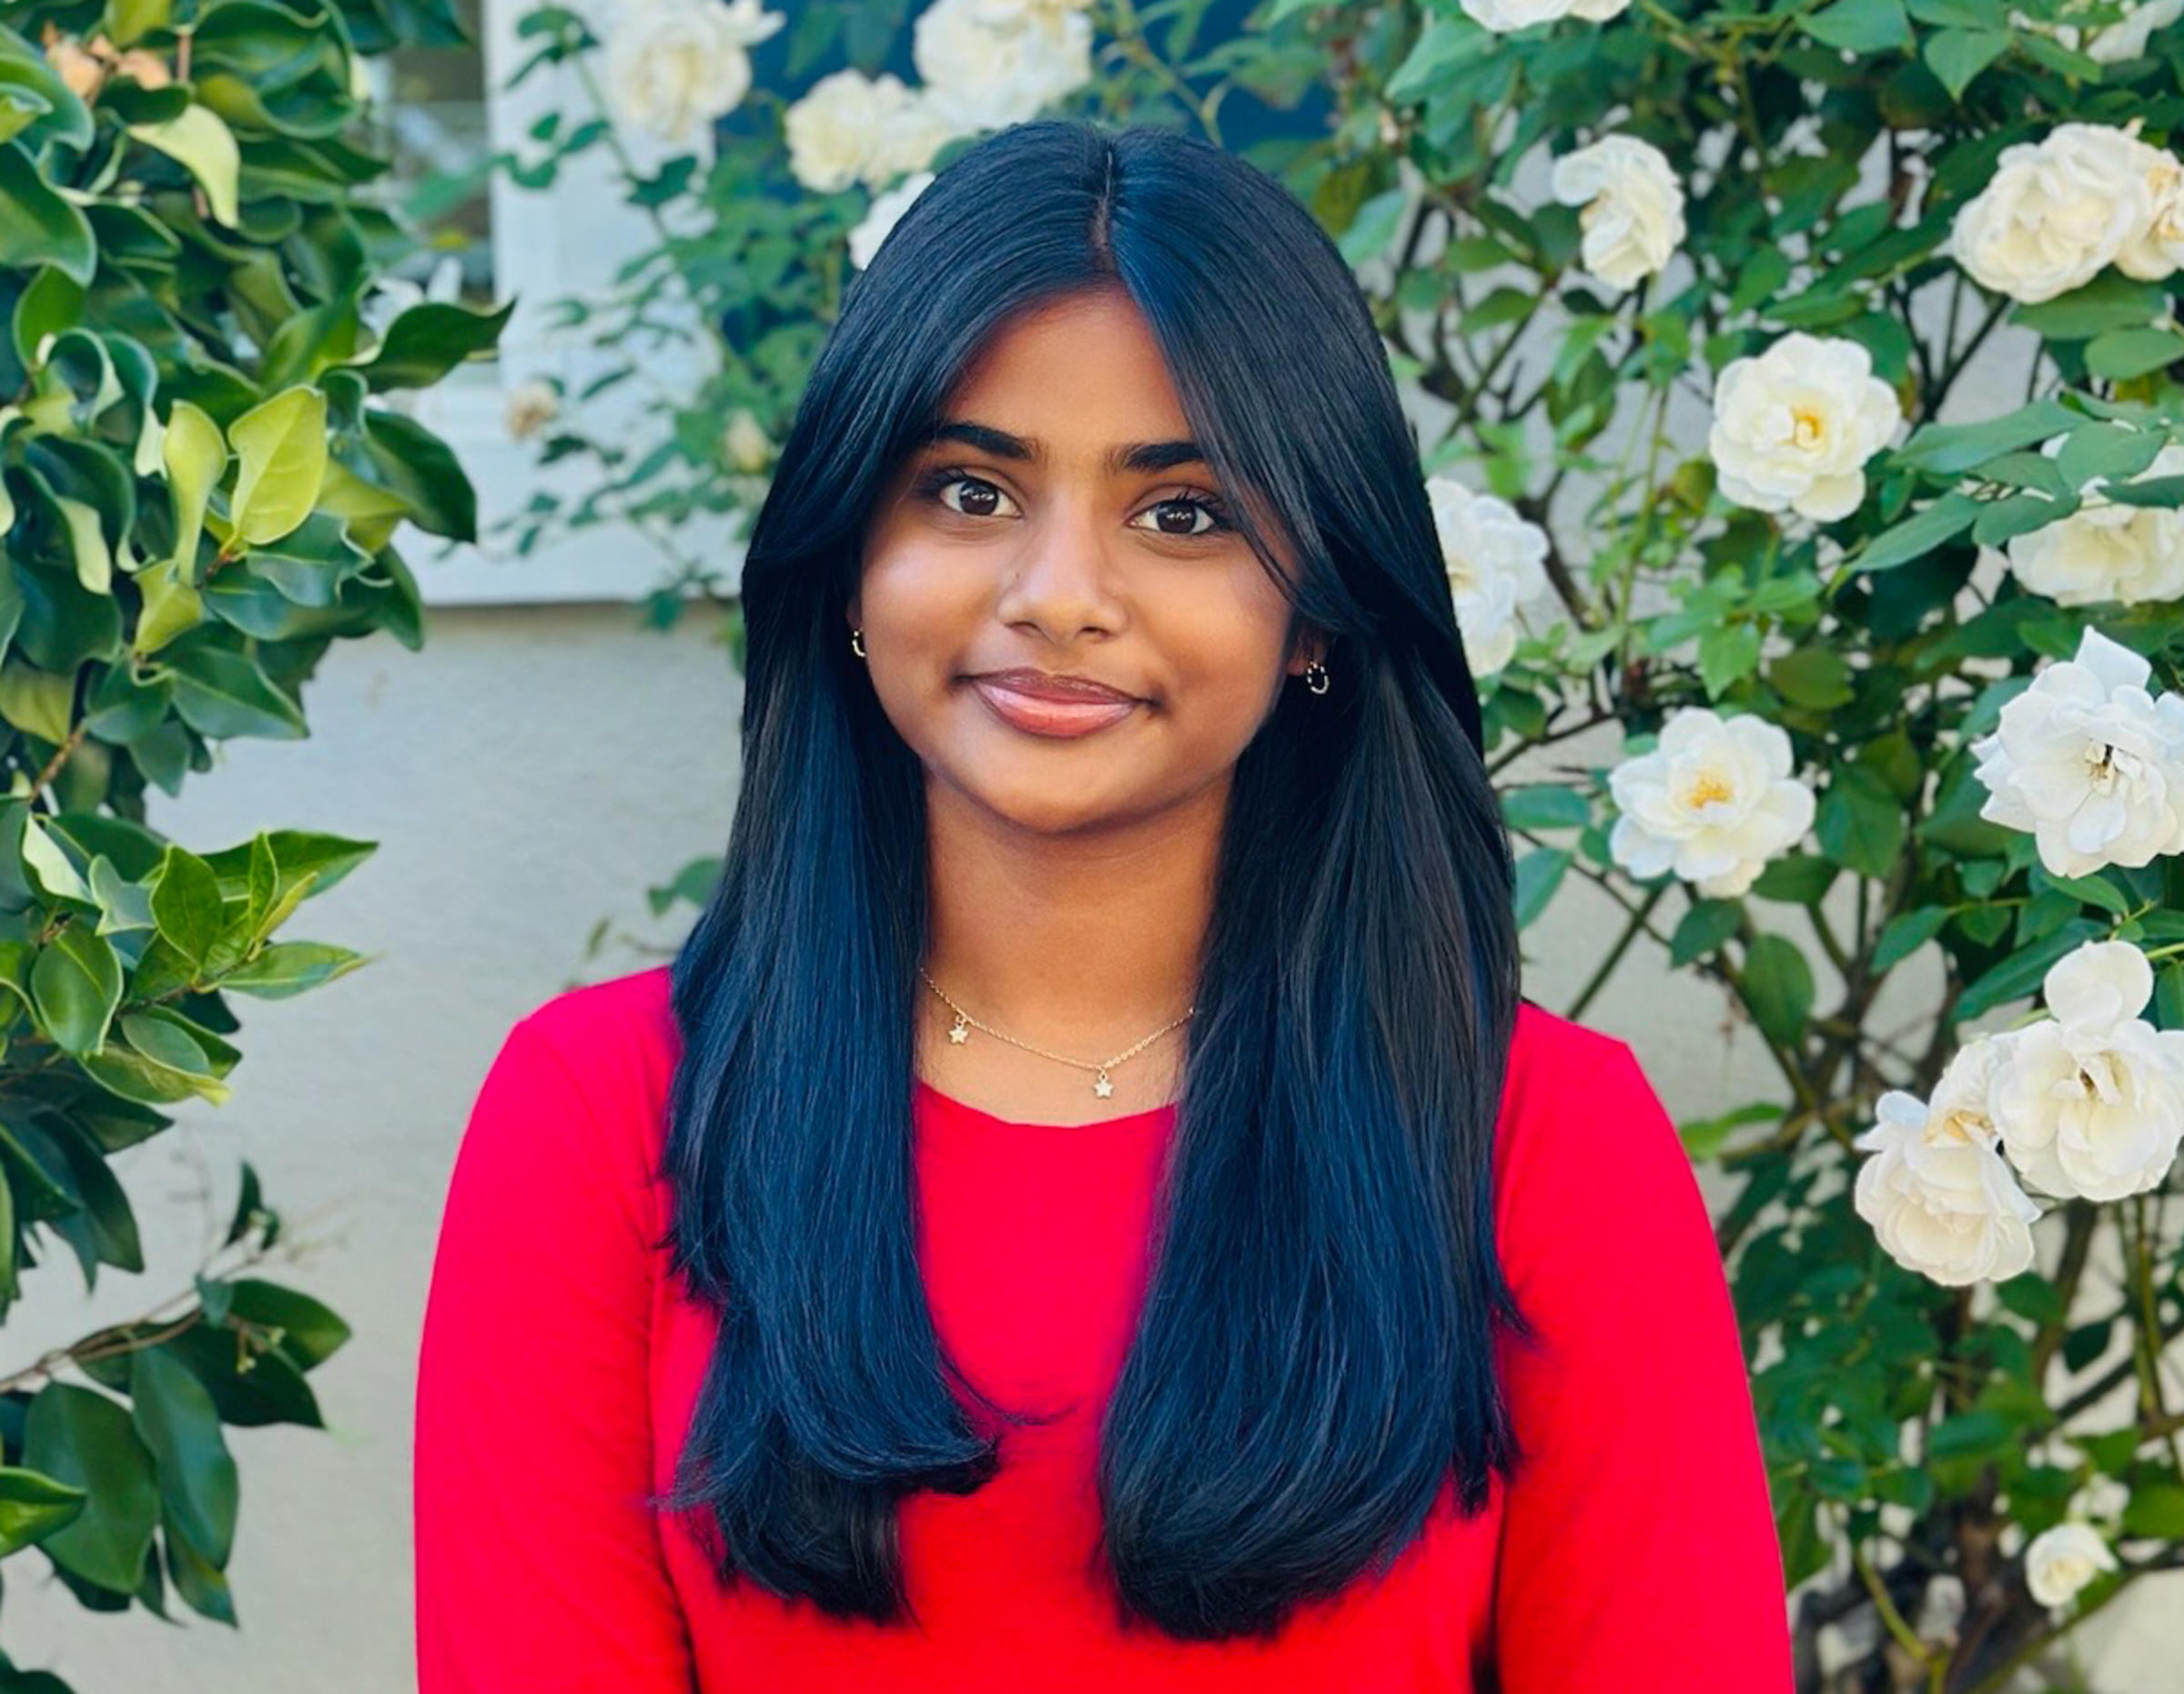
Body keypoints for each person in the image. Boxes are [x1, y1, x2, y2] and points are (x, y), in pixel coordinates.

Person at [413, 117, 1794, 1692]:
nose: (1060, 593)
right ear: (851, 561)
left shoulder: (1542, 1142)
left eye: (1182, 511)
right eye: (969, 489)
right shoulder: (606, 1120)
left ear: (1317, 612)